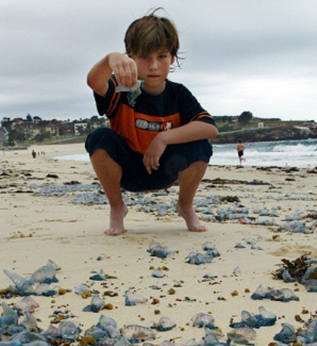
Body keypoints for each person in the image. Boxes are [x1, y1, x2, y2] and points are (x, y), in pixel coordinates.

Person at [85, 10, 218, 236]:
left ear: (172, 58)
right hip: (128, 171)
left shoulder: (178, 94)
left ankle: (185, 205)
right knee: (98, 138)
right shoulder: (122, 88)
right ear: (131, 58)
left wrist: (162, 138)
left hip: (165, 168)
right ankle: (117, 207)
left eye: (162, 56)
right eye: (145, 57)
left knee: (201, 145)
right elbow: (94, 82)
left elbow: (209, 127)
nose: (154, 65)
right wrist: (110, 59)